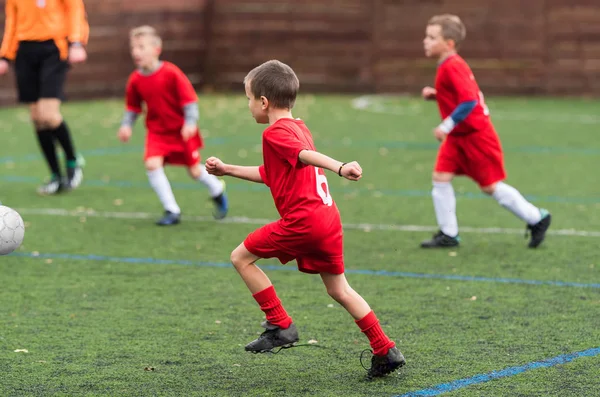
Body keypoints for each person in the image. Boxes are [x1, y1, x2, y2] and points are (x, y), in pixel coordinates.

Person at [205, 60, 405, 379]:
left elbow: (303, 155)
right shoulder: (298, 126)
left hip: (304, 221)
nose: (248, 106)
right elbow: (272, 173)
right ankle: (385, 349)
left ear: (263, 102)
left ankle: (280, 324)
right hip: (328, 220)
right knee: (339, 289)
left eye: (248, 99)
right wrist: (227, 169)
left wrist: (339, 167)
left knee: (241, 257)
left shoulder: (276, 133)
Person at [420, 14, 551, 248]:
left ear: (449, 43)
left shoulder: (453, 65)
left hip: (476, 136)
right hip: (458, 137)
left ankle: (537, 218)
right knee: (440, 178)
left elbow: (469, 101)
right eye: (426, 36)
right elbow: (460, 97)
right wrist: (438, 96)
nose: (425, 41)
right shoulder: (447, 65)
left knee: (490, 186)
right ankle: (449, 234)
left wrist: (445, 125)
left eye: (431, 37)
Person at [118, 26, 228, 225]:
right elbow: (132, 107)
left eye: (141, 47)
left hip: (181, 131)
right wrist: (127, 125)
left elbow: (189, 100)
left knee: (195, 171)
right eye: (133, 47)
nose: (136, 52)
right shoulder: (135, 79)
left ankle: (217, 190)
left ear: (156, 49)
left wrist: (190, 122)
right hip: (157, 132)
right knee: (152, 164)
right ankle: (172, 210)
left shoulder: (171, 73)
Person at [0, 0, 88, 195]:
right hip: (24, 52)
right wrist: (5, 55)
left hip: (53, 48)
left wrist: (76, 42)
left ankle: (73, 160)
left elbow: (75, 10)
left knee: (48, 114)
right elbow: (11, 22)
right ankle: (56, 176)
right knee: (38, 119)